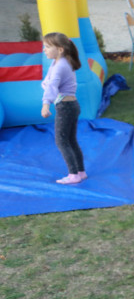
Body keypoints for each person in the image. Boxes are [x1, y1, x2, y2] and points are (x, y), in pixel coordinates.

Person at [40, 32, 85, 185]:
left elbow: (52, 86)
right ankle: (80, 171)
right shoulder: (59, 62)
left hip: (66, 107)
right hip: (70, 106)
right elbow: (48, 81)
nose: (44, 50)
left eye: (47, 47)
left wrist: (46, 104)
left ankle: (73, 175)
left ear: (59, 49)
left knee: (61, 141)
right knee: (70, 139)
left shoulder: (61, 66)